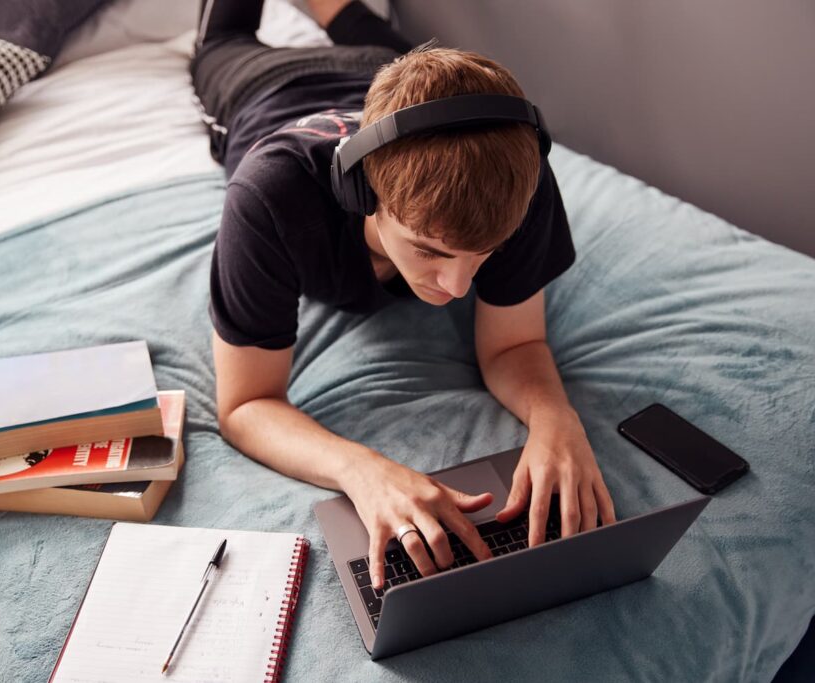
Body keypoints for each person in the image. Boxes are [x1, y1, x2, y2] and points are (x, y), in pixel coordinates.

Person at [192, 0, 617, 592]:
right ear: (362, 193)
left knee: (389, 48)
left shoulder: (518, 181)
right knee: (220, 39)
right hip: (263, 85)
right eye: (431, 252)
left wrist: (556, 419)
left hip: (381, 73)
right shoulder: (269, 198)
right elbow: (244, 406)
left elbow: (513, 343)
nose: (459, 288)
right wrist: (363, 471)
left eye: (485, 255)